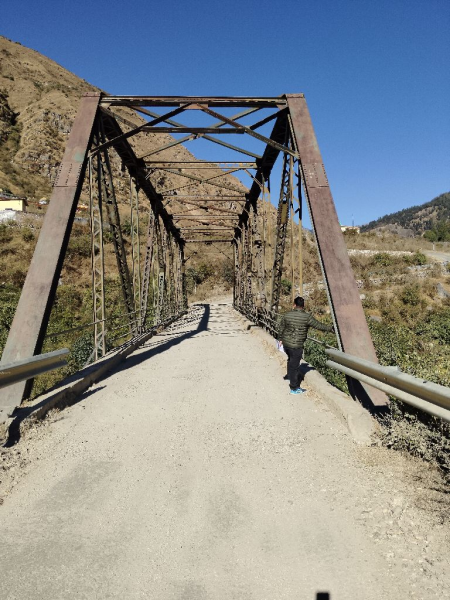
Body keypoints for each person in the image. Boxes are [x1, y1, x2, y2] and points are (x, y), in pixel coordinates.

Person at [278, 296, 334, 395]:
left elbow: (281, 327)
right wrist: (330, 328)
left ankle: (289, 376)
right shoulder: (307, 317)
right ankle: (294, 388)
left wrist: (280, 338)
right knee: (295, 365)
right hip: (297, 345)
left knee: (290, 360)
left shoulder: (287, 315)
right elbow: (318, 325)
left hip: (286, 344)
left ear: (294, 305)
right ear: (303, 306)